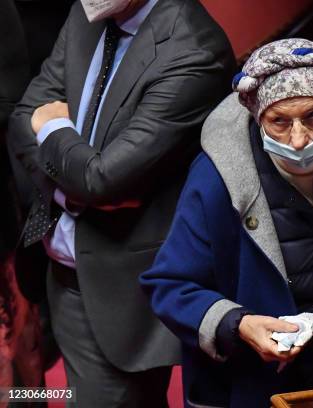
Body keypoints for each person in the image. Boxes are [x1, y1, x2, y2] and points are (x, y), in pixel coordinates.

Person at [140, 38, 313, 408]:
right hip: (257, 388)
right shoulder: (216, 179)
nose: (298, 140)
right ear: (257, 117)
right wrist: (238, 324)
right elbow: (168, 285)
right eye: (278, 122)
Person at [7, 0, 236, 405]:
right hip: (57, 267)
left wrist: (54, 125)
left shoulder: (193, 49)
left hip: (119, 291)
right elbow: (25, 115)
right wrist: (68, 191)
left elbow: (102, 179)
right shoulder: (89, 11)